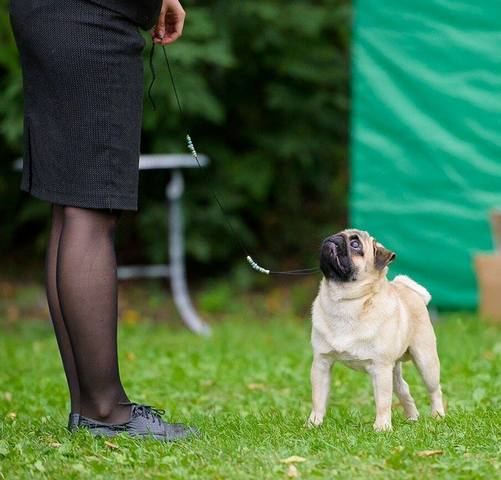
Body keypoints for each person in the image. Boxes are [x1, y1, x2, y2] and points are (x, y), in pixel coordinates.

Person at [9, 0, 195, 441]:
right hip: (88, 18)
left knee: (70, 206)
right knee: (89, 209)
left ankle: (88, 408)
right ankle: (106, 411)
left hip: (54, 14)